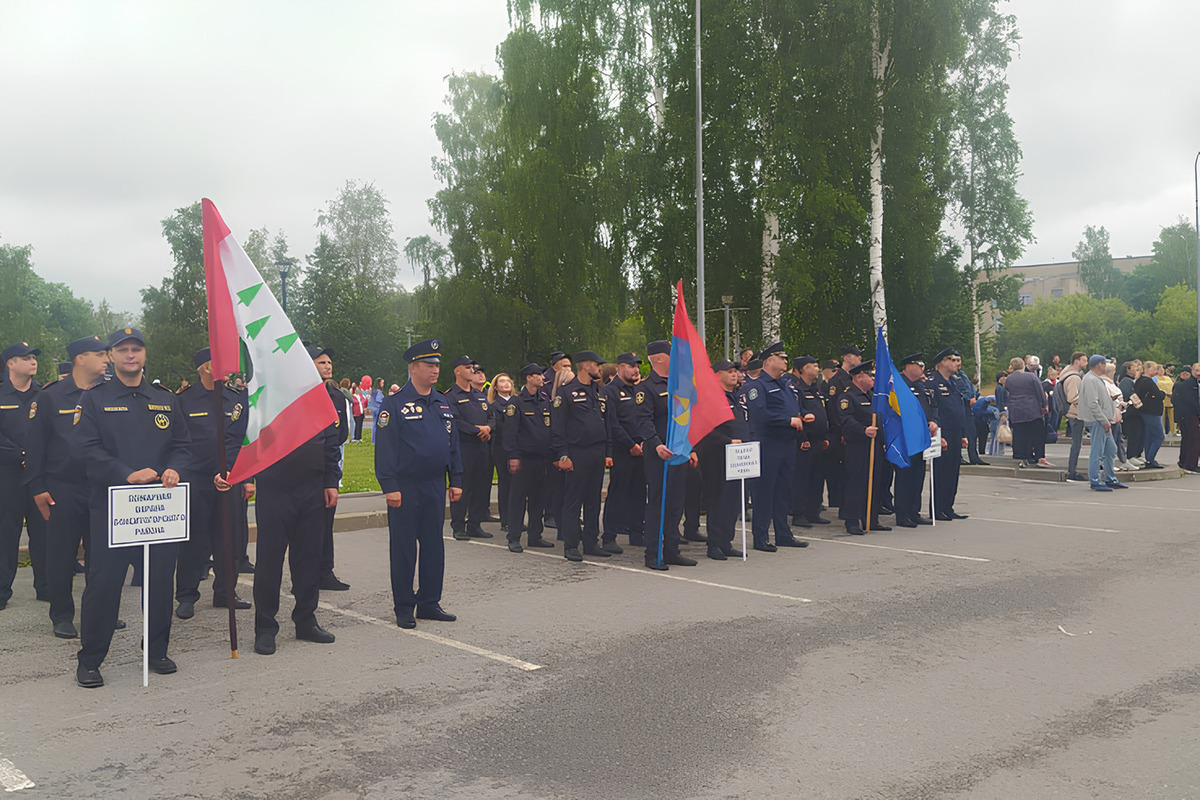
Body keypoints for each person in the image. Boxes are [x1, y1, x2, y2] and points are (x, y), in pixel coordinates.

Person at [75, 328, 190, 687]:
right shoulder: (95, 399)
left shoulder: (165, 399)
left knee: (158, 584)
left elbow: (183, 446)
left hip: (158, 510)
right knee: (104, 585)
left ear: (145, 355)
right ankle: (90, 659)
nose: (130, 355)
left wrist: (174, 469)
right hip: (113, 508)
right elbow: (87, 449)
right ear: (110, 356)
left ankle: (155, 650)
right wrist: (126, 474)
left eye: (136, 349)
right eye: (122, 350)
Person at [374, 339, 462, 629]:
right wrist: (390, 485)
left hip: (435, 485)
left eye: (437, 365)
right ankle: (404, 606)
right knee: (403, 548)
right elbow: (385, 447)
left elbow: (453, 444)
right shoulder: (395, 404)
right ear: (413, 368)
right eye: (429, 365)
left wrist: (456, 479)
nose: (435, 370)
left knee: (434, 545)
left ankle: (429, 602)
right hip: (406, 486)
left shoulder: (442, 402)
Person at [23, 337, 108, 637]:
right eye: (99, 354)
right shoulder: (51, 397)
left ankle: (100, 611)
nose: (106, 359)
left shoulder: (110, 394)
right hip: (63, 488)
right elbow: (36, 445)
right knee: (60, 555)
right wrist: (37, 487)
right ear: (80, 359)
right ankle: (61, 614)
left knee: (102, 557)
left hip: (102, 487)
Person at [636, 341, 700, 570]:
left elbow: (686, 419)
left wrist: (691, 448)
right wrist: (655, 444)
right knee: (658, 504)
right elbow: (642, 422)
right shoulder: (646, 388)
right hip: (659, 454)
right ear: (660, 358)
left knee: (676, 504)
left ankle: (672, 550)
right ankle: (653, 554)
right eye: (672, 353)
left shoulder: (680, 385)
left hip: (680, 453)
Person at [744, 342, 809, 551]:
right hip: (768, 443)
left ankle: (783, 533)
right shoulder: (757, 385)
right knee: (764, 491)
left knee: (783, 491)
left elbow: (793, 408)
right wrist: (787, 420)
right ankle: (761, 536)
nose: (785, 362)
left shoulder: (787, 385)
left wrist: (800, 416)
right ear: (769, 361)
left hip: (787, 444)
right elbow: (759, 415)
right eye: (781, 358)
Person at [0, 341, 48, 610]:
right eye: (26, 358)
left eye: (34, 358)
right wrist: (19, 455)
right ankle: (2, 590)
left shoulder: (45, 395)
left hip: (38, 476)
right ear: (10, 363)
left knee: (43, 532)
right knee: (6, 533)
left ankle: (45, 586)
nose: (33, 362)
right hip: (7, 476)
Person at [551, 351, 612, 562]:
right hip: (577, 453)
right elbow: (558, 428)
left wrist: (607, 452)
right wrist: (563, 455)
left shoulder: (598, 391)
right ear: (585, 365)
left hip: (596, 452)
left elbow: (606, 424)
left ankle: (591, 542)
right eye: (596, 364)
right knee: (573, 501)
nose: (599, 368)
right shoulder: (566, 393)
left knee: (594, 500)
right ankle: (571, 545)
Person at [498, 365, 556, 552]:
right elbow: (510, 433)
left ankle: (535, 535)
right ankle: (514, 537)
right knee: (518, 499)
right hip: (523, 459)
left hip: (542, 459)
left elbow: (549, 429)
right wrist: (513, 456)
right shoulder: (516, 403)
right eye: (538, 375)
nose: (541, 378)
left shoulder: (544, 400)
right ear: (529, 378)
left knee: (538, 499)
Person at [695, 360, 748, 560]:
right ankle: (715, 544)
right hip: (717, 455)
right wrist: (727, 441)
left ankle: (726, 541)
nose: (735, 375)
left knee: (733, 500)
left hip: (738, 456)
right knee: (718, 500)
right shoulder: (711, 398)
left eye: (736, 371)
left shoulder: (735, 397)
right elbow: (707, 429)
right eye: (730, 371)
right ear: (717, 375)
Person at [308, 346, 351, 592]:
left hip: (327, 469)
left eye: (329, 362)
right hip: (304, 471)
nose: (328, 366)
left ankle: (326, 571)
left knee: (325, 523)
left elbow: (341, 432)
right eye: (321, 362)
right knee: (305, 530)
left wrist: (332, 478)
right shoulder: (300, 395)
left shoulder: (335, 396)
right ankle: (306, 575)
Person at [836, 361, 890, 534]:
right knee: (856, 483)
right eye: (870, 375)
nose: (874, 378)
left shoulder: (872, 395)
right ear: (859, 377)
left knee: (874, 482)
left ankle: (871, 519)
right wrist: (863, 430)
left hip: (875, 446)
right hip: (858, 447)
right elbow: (845, 420)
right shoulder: (848, 397)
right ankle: (851, 520)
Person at [601, 352, 647, 551]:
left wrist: (645, 441)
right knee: (618, 493)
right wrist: (631, 445)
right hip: (622, 450)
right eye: (630, 366)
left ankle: (637, 533)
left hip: (642, 448)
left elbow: (646, 417)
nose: (635, 370)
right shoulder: (610, 392)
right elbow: (612, 423)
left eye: (637, 366)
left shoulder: (641, 390)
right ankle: (609, 537)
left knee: (639, 492)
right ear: (619, 368)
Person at [447, 356, 494, 540]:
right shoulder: (451, 396)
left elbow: (492, 416)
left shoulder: (480, 395)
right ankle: (458, 526)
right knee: (462, 487)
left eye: (472, 367)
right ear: (457, 371)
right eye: (467, 368)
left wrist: (489, 428)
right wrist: (477, 430)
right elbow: (454, 420)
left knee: (480, 487)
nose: (471, 371)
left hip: (483, 447)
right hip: (464, 448)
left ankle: (475, 524)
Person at [894, 354, 937, 528]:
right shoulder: (898, 385)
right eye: (920, 364)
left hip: (921, 437)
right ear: (908, 366)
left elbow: (932, 407)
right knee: (905, 476)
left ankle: (914, 511)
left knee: (918, 475)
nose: (923, 367)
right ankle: (902, 513)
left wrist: (934, 421)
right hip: (904, 438)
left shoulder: (922, 386)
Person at [928, 348, 970, 521]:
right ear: (941, 363)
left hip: (955, 431)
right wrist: (939, 435)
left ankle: (948, 506)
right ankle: (936, 509)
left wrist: (963, 433)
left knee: (953, 470)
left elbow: (959, 409)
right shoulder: (933, 382)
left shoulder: (953, 381)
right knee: (941, 471)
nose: (956, 363)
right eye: (951, 359)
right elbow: (934, 409)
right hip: (942, 431)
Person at [791, 356, 830, 527]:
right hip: (805, 442)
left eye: (817, 365)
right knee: (802, 478)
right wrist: (803, 438)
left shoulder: (816, 390)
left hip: (819, 440)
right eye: (811, 366)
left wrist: (825, 437)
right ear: (801, 370)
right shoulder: (797, 390)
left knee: (817, 478)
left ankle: (813, 511)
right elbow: (797, 414)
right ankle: (799, 514)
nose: (816, 368)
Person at [1077, 355, 1126, 491]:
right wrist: (1104, 420)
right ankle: (1094, 480)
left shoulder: (1095, 379)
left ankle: (1110, 478)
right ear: (1099, 364)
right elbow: (1093, 403)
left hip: (1102, 419)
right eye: (1104, 364)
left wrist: (1109, 400)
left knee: (1110, 449)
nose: (1105, 366)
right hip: (1097, 420)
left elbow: (1097, 400)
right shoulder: (1091, 379)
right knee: (1097, 450)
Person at [1004, 357, 1051, 468]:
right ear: (1023, 365)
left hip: (1016, 410)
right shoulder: (1031, 377)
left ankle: (1023, 456)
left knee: (1021, 434)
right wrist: (1044, 405)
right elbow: (1040, 392)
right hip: (1032, 409)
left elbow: (1008, 393)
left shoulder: (1009, 379)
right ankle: (1038, 456)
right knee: (1036, 434)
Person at [488, 373, 516, 532]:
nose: (505, 384)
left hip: (516, 449)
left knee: (516, 485)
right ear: (496, 387)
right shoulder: (494, 405)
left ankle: (514, 518)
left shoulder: (517, 403)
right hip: (501, 449)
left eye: (508, 381)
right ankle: (506, 520)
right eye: (501, 381)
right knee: (505, 484)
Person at [1060, 351, 1089, 481]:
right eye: (1084, 360)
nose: (1086, 363)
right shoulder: (1074, 377)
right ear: (1076, 361)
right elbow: (1073, 397)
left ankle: (1072, 471)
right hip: (1075, 413)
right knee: (1076, 444)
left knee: (1076, 443)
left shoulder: (1066, 373)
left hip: (1073, 412)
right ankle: (1072, 472)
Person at [1134, 361, 1167, 469]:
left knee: (1149, 436)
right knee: (1159, 436)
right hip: (1152, 411)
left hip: (1145, 410)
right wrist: (1161, 393)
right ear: (1148, 369)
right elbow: (1159, 394)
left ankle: (1148, 457)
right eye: (1154, 368)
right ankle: (1151, 458)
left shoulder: (1140, 381)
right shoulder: (1147, 381)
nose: (1156, 371)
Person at [1173, 364, 1200, 473]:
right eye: (1196, 370)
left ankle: (1184, 462)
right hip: (1189, 414)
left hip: (1189, 414)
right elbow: (1191, 401)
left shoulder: (1194, 384)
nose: (1198, 373)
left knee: (1188, 438)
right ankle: (1190, 464)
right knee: (1193, 438)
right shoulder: (1189, 384)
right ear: (1192, 370)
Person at [1119, 360, 1144, 467]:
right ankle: (1131, 455)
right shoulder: (1126, 381)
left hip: (1136, 412)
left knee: (1139, 433)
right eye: (1134, 368)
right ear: (1127, 369)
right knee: (1134, 433)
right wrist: (1138, 402)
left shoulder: (1134, 381)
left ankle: (1137, 454)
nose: (1136, 370)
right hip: (1130, 412)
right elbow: (1129, 394)